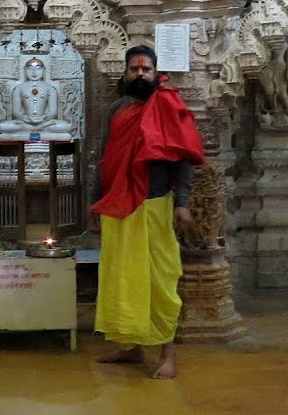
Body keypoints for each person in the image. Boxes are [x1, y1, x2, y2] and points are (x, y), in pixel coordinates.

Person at [88, 45, 204, 379]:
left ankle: (168, 353)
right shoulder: (117, 110)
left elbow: (182, 158)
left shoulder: (167, 106)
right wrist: (96, 199)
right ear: (125, 74)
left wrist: (182, 202)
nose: (140, 74)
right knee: (121, 277)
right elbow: (106, 157)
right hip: (117, 205)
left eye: (146, 69)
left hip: (153, 203)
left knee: (160, 280)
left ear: (155, 73)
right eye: (134, 69)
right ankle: (131, 346)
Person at [0, 57, 74, 140]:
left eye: (38, 68)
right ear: (25, 71)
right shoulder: (18, 88)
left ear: (44, 71)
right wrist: (25, 118)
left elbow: (53, 112)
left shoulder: (50, 88)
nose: (34, 72)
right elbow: (16, 112)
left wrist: (44, 119)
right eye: (30, 69)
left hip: (44, 123)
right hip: (25, 123)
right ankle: (42, 135)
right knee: (2, 127)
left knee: (66, 127)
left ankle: (27, 136)